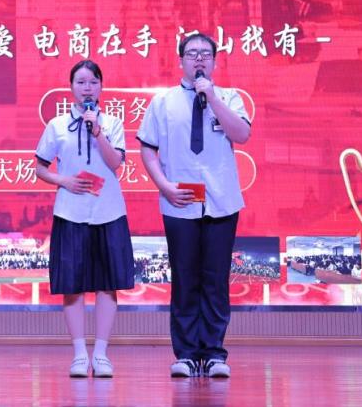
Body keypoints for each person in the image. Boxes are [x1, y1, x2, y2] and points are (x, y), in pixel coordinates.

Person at [137, 33, 252, 379]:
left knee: (215, 281)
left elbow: (242, 135)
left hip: (221, 201)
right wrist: (164, 186)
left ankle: (214, 354)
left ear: (215, 61)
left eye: (205, 54)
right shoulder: (163, 102)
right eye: (192, 53)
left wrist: (212, 97)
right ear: (180, 60)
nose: (199, 59)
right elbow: (147, 148)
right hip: (179, 201)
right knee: (185, 279)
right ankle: (186, 354)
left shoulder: (229, 97)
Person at [34, 60, 132, 378]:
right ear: (71, 87)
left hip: (108, 211)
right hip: (70, 211)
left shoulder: (113, 123)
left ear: (101, 86)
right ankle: (79, 354)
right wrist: (64, 180)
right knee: (72, 285)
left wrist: (98, 131)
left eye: (92, 82)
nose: (87, 88)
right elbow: (40, 168)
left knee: (107, 284)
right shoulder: (57, 125)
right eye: (80, 82)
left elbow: (115, 162)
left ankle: (101, 354)